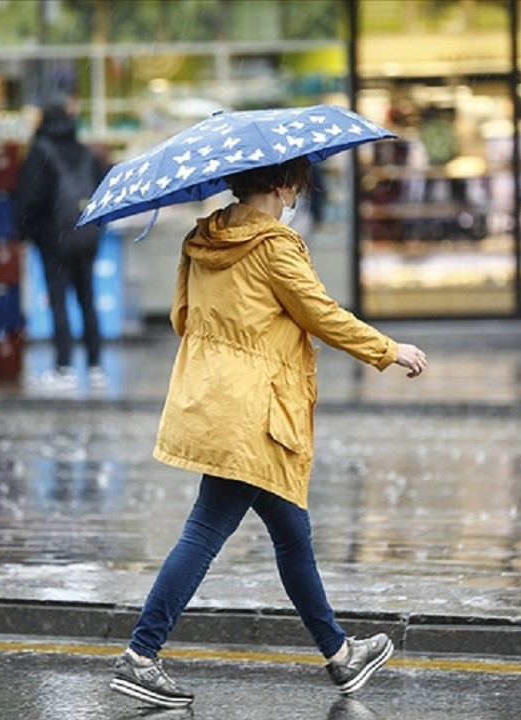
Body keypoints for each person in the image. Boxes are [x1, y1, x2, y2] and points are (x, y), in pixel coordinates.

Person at [109, 157, 428, 708]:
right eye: (295, 186)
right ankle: (141, 654)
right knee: (205, 531)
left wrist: (237, 323)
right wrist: (388, 350)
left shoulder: (200, 239)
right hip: (256, 410)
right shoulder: (275, 246)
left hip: (213, 398)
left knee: (292, 533)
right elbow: (321, 314)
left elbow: (181, 318)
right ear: (282, 184)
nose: (294, 196)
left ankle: (340, 654)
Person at [14, 98, 106, 391]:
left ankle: (63, 366)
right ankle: (95, 366)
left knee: (59, 302)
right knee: (87, 299)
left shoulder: (41, 152)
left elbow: (30, 199)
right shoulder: (85, 152)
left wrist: (26, 232)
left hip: (55, 238)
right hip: (86, 237)